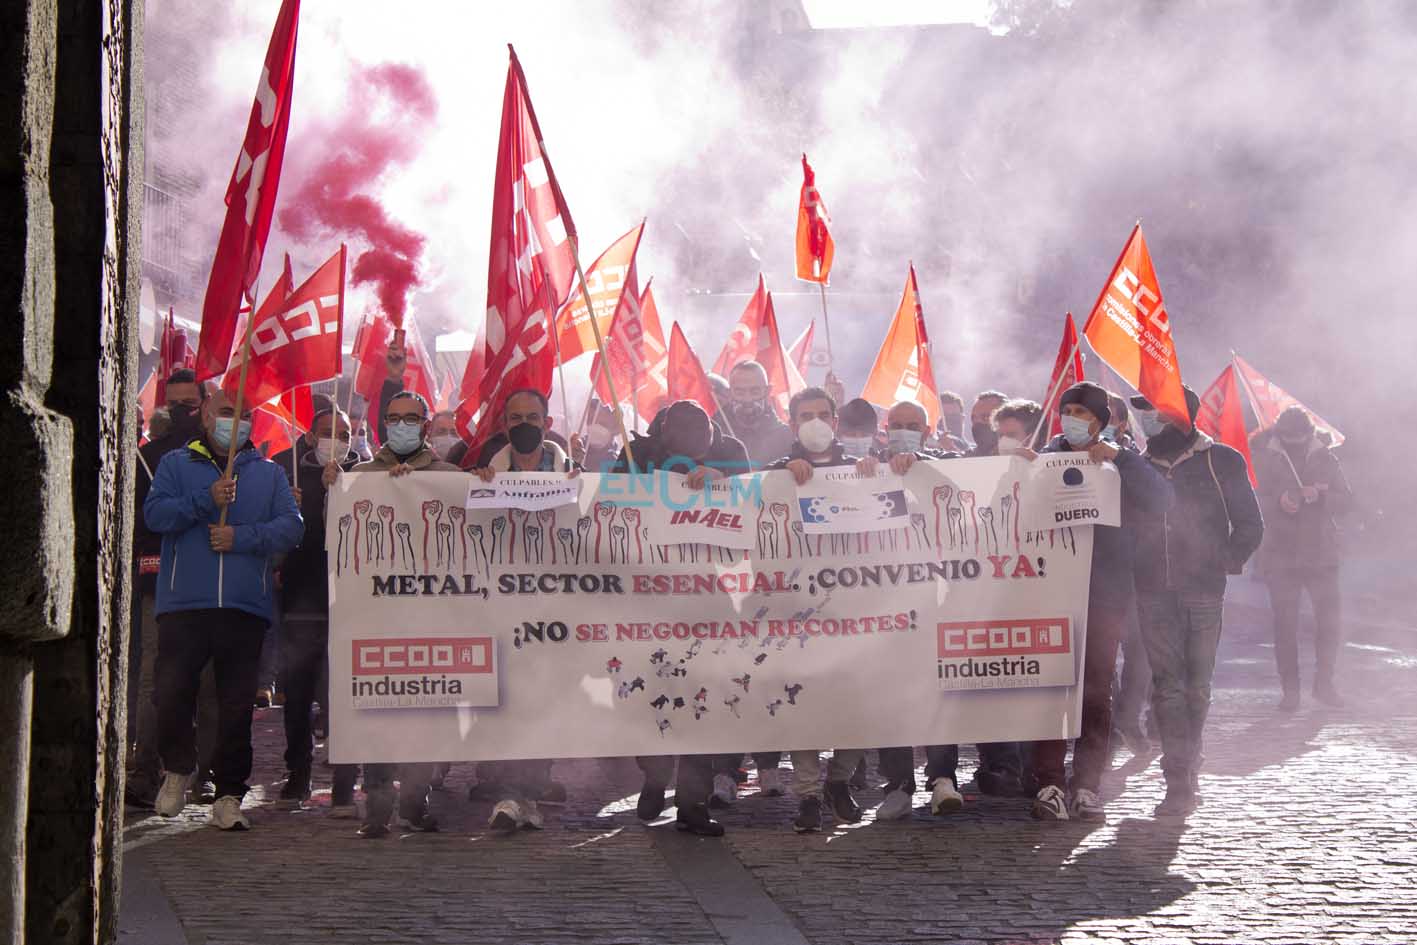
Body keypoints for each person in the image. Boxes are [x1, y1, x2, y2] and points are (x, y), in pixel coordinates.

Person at [143, 387, 304, 830]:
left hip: (242, 607)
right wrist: (205, 500)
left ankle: (230, 792)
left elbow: (291, 527)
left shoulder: (268, 473)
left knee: (235, 705)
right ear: (207, 416)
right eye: (228, 411)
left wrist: (243, 537)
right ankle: (178, 768)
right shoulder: (176, 464)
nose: (238, 420)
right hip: (183, 604)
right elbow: (155, 516)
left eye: (246, 413)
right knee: (172, 693)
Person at [1028, 382, 1172, 822]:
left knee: (1096, 692)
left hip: (1105, 596)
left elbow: (1164, 500)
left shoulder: (1121, 460)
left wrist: (1121, 459)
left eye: (1082, 412)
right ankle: (1049, 783)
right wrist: (1018, 469)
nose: (1072, 418)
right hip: (1048, 594)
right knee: (1051, 689)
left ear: (1101, 422)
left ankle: (1087, 784)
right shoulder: (1043, 458)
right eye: (1067, 409)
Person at [615, 400, 750, 837]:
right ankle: (655, 775)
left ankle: (693, 802)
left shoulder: (732, 454)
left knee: (703, 699)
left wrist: (725, 481)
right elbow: (610, 504)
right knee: (651, 694)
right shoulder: (638, 455)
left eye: (704, 439)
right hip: (650, 597)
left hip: (709, 596)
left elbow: (759, 499)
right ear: (666, 435)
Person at [1131, 387, 1263, 816]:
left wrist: (1223, 560)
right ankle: (1178, 779)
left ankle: (1189, 758)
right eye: (1142, 411)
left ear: (1177, 415)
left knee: (1197, 688)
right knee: (1167, 687)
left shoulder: (1221, 459)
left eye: (1151, 409)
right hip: (1152, 589)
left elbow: (1249, 522)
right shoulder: (1137, 464)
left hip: (1203, 590)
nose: (1145, 418)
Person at [352, 390, 462, 837]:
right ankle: (377, 808)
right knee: (375, 711)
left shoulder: (449, 476)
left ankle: (415, 803)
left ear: (426, 427)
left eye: (410, 419)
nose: (401, 425)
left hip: (432, 616)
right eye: (393, 418)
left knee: (425, 711)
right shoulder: (358, 477)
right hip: (373, 618)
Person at [768, 387, 869, 832]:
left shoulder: (865, 467)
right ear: (791, 424)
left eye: (823, 414)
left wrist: (889, 471)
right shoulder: (777, 472)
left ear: (836, 420)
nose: (815, 422)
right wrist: (783, 475)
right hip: (798, 607)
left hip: (856, 606)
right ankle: (808, 794)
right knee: (802, 700)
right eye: (805, 415)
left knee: (859, 699)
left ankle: (840, 780)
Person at [127, 370, 221, 809]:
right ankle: (144, 770)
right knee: (155, 682)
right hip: (160, 583)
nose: (182, 411)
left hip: (209, 581)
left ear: (203, 404)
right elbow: (143, 520)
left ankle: (203, 772)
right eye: (175, 404)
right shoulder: (148, 457)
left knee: (206, 682)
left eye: (190, 403)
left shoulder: (222, 457)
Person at [276, 405, 361, 810]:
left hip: (351, 603)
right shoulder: (285, 470)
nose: (335, 440)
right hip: (301, 598)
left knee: (345, 694)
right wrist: (302, 499)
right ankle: (298, 772)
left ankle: (346, 778)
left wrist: (342, 489)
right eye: (327, 431)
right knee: (297, 693)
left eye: (343, 433)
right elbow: (282, 534)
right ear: (310, 436)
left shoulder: (366, 473)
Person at [1253, 405, 1351, 709]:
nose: (1293, 444)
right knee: (1285, 625)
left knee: (1329, 623)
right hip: (1281, 555)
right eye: (1287, 439)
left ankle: (1324, 684)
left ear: (1309, 434)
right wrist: (1280, 500)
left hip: (1321, 554)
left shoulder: (1325, 455)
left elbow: (1346, 500)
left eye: (1298, 439)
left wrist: (1320, 496)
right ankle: (1290, 691)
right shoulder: (1265, 455)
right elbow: (1253, 501)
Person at [724, 360, 795, 469]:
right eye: (740, 392)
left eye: (755, 391)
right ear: (729, 393)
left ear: (767, 391)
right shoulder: (713, 436)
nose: (748, 399)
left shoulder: (787, 437)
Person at [967, 390, 1009, 455]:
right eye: (974, 419)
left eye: (986, 417)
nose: (978, 423)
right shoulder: (968, 458)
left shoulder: (1023, 457)